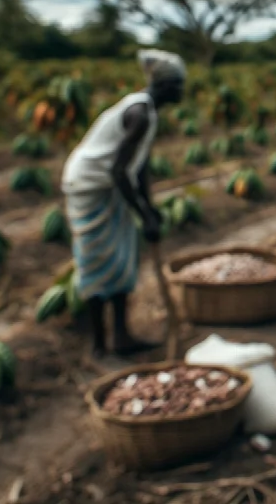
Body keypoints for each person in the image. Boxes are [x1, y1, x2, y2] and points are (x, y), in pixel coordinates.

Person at [61, 49, 186, 358]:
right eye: (178, 85)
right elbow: (119, 170)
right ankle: (99, 345)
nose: (182, 92)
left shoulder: (149, 113)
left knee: (121, 261)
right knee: (96, 261)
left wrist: (150, 207)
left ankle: (121, 336)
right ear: (164, 86)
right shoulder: (139, 114)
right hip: (90, 187)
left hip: (112, 186)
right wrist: (143, 214)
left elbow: (138, 166)